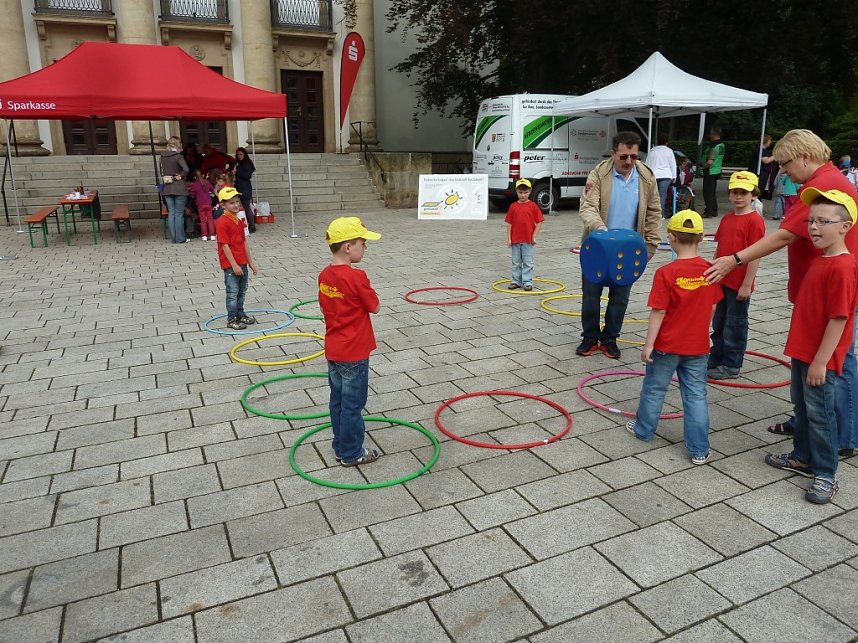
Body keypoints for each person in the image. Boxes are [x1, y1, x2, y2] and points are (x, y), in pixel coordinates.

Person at [705, 129, 858, 456]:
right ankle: (810, 422)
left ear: (805, 157)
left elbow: (785, 235)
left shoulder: (826, 185)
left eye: (786, 164)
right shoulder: (820, 181)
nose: (783, 172)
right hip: (815, 290)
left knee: (837, 363)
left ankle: (839, 438)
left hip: (828, 293)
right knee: (822, 364)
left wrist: (735, 260)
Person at [764, 188, 858, 504]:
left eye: (824, 221)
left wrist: (820, 361)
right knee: (802, 408)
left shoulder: (842, 266)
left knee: (820, 415)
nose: (814, 227)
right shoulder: (822, 259)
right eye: (811, 221)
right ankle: (802, 457)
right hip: (802, 352)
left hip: (820, 359)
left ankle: (826, 474)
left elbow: (839, 319)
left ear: (845, 227)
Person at [627, 209, 723, 464]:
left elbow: (658, 311)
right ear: (701, 237)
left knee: (654, 389)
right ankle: (699, 449)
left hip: (667, 345)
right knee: (696, 395)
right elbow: (713, 306)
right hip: (698, 346)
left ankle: (643, 430)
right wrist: (704, 330)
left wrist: (648, 345)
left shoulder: (666, 273)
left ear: (671, 238)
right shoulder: (711, 270)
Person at [577, 131, 662, 359]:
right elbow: (587, 206)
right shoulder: (599, 173)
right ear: (613, 153)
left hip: (629, 250)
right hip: (598, 247)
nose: (629, 161)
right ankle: (589, 337)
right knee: (591, 296)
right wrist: (599, 228)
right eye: (623, 156)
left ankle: (610, 339)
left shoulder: (646, 177)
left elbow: (654, 212)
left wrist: (651, 245)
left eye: (634, 156)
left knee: (620, 298)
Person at [318, 217, 382, 467]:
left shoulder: (324, 275)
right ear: (347, 247)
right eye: (362, 243)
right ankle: (352, 452)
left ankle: (340, 446)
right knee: (353, 405)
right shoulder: (357, 277)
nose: (365, 247)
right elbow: (374, 306)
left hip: (334, 349)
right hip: (354, 352)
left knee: (338, 401)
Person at [708, 172, 766, 380]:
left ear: (753, 195)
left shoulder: (755, 221)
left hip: (739, 283)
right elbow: (720, 249)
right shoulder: (727, 219)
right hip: (721, 280)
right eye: (735, 192)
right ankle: (716, 356)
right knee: (719, 321)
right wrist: (712, 271)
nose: (739, 196)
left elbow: (756, 254)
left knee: (735, 323)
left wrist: (747, 284)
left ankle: (732, 364)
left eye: (744, 192)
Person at [214, 186, 257, 331]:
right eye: (231, 203)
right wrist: (234, 265)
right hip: (231, 265)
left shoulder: (238, 220)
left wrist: (250, 262)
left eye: (237, 201)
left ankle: (240, 314)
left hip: (242, 262)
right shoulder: (222, 222)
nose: (236, 205)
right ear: (223, 205)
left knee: (242, 290)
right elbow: (224, 245)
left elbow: (244, 242)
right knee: (232, 292)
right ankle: (231, 318)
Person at [505, 178, 544, 291]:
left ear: (530, 191)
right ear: (516, 192)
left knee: (528, 261)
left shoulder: (533, 206)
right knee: (516, 262)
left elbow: (540, 221)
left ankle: (527, 282)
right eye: (520, 192)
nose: (523, 195)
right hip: (515, 240)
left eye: (525, 192)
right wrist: (509, 238)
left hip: (528, 240)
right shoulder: (513, 206)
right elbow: (509, 223)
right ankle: (516, 281)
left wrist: (534, 236)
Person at [160, 135, 190, 244]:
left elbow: (161, 171)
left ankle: (174, 238)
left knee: (171, 213)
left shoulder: (162, 156)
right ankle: (180, 238)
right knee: (179, 214)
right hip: (179, 187)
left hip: (167, 187)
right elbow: (186, 169)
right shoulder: (178, 156)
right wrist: (180, 176)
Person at [645, 132, 677, 216]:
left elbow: (647, 164)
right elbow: (672, 164)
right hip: (666, 175)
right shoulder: (669, 151)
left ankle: (652, 213)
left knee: (653, 196)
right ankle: (661, 214)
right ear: (667, 142)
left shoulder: (652, 151)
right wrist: (674, 176)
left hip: (654, 175)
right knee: (662, 195)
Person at [697, 126, 726, 218]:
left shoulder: (713, 146)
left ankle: (708, 211)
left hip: (710, 171)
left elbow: (710, 161)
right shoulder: (721, 145)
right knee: (712, 192)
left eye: (710, 133)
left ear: (714, 134)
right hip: (717, 170)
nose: (709, 135)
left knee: (708, 192)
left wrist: (702, 167)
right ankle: (714, 210)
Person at [234, 147, 257, 233]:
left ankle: (252, 226)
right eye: (238, 155)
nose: (239, 156)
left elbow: (247, 176)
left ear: (244, 154)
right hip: (239, 186)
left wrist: (236, 171)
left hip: (245, 187)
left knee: (246, 207)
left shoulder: (247, 163)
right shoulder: (238, 163)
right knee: (241, 207)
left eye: (241, 154)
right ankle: (244, 225)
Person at [188, 170, 216, 241]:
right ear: (202, 175)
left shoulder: (195, 184)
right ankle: (212, 235)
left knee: (203, 221)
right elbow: (212, 189)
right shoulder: (207, 182)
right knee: (210, 219)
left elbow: (192, 193)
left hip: (200, 204)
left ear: (195, 177)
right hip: (208, 203)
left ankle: (204, 236)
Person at [749, 134, 778, 199]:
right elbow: (766, 160)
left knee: (759, 191)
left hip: (761, 173)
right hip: (759, 174)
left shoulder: (762, 150)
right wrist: (776, 155)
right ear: (766, 141)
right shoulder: (760, 150)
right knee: (758, 191)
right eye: (769, 141)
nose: (770, 142)